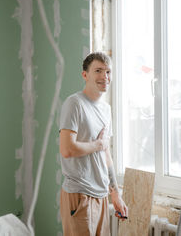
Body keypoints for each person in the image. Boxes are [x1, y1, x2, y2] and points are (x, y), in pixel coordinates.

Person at [59, 52, 128, 235]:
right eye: (98, 71)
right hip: (80, 194)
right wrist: (97, 145)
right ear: (85, 75)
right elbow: (67, 149)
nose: (104, 77)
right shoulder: (74, 104)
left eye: (108, 72)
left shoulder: (106, 109)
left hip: (102, 195)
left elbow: (105, 154)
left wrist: (116, 195)